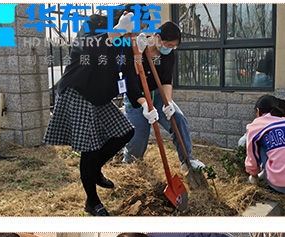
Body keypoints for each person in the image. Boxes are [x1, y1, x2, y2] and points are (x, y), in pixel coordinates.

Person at [44, 10, 151, 216]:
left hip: (100, 97)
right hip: (79, 91)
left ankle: (94, 170)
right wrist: (116, 31)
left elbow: (129, 78)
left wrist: (144, 103)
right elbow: (84, 51)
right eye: (141, 26)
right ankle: (91, 202)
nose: (141, 32)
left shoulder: (127, 43)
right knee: (90, 148)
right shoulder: (95, 23)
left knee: (126, 131)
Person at [122, 21, 205, 173]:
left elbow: (166, 81)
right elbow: (131, 78)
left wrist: (169, 102)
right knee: (138, 137)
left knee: (178, 119)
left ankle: (187, 160)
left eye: (173, 46)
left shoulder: (168, 55)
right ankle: (130, 166)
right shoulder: (137, 46)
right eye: (169, 45)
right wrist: (138, 54)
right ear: (158, 37)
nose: (170, 49)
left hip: (158, 94)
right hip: (137, 97)